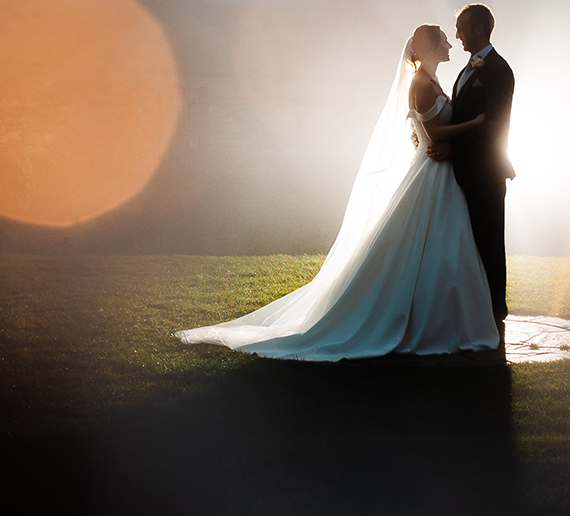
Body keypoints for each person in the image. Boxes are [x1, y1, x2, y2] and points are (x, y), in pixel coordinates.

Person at [178, 22, 498, 359]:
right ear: (431, 47)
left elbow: (422, 128)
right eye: (445, 39)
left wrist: (425, 133)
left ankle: (441, 318)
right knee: (428, 242)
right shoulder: (421, 83)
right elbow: (434, 134)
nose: (452, 42)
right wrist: (475, 125)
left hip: (439, 170)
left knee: (444, 244)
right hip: (431, 171)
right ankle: (425, 320)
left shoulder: (432, 80)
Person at [436, 2, 515, 322]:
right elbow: (459, 114)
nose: (458, 36)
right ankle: (473, 308)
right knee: (466, 245)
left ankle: (496, 312)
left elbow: (495, 125)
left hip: (486, 173)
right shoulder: (469, 69)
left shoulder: (499, 70)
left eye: (462, 29)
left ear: (480, 29)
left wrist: (455, 149)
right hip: (463, 173)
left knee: (489, 242)